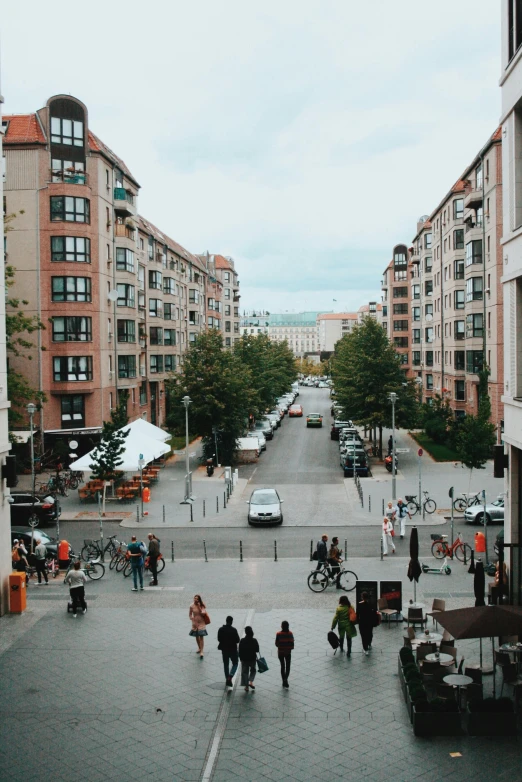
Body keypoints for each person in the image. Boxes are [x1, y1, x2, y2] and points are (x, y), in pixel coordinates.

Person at [217, 615, 240, 688]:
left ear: (226, 621)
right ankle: (231, 676)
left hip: (224, 650)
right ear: (232, 622)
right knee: (235, 663)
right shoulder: (234, 630)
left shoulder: (221, 629)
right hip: (233, 650)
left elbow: (219, 639)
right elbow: (237, 640)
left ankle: (227, 678)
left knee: (226, 664)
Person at [239, 626, 259, 692]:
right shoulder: (254, 640)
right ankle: (251, 681)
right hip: (252, 658)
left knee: (245, 672)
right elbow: (257, 650)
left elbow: (240, 650)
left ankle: (246, 686)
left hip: (244, 659)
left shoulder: (242, 640)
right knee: (253, 670)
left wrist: (240, 658)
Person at [275, 620, 294, 688]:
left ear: (281, 626)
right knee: (288, 666)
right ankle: (286, 679)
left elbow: (276, 644)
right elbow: (292, 645)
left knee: (282, 666)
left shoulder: (278, 634)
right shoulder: (290, 633)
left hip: (280, 652)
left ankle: (283, 681)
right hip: (288, 653)